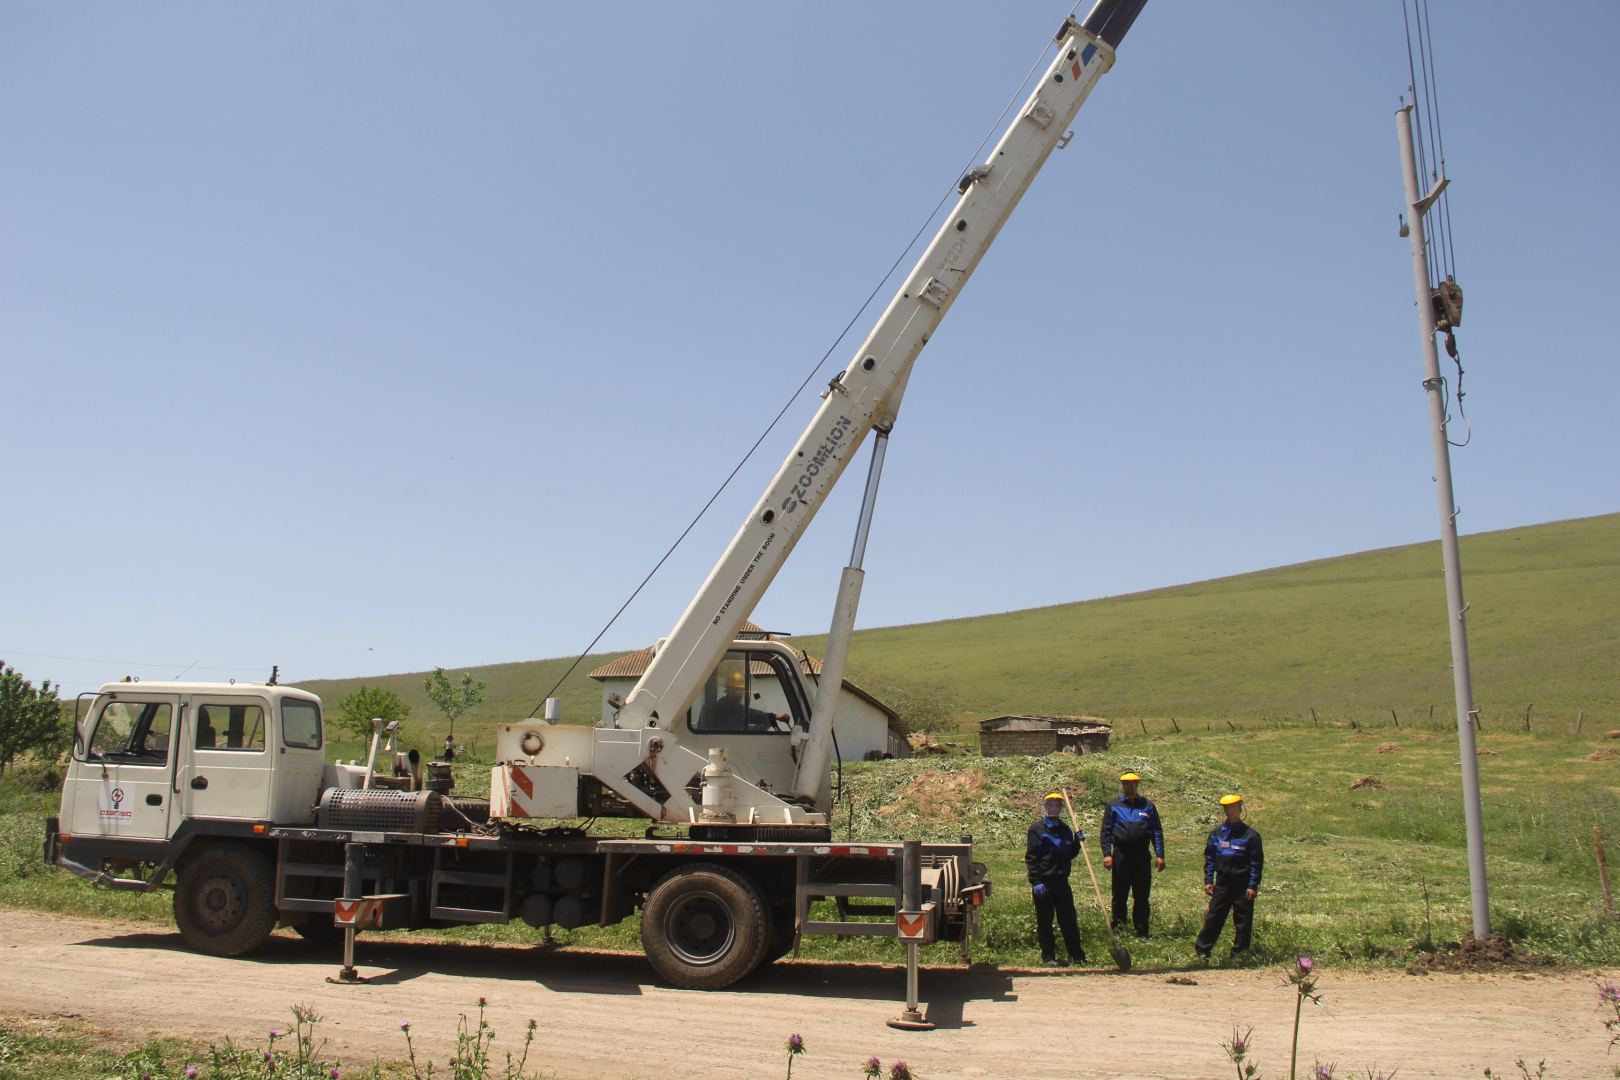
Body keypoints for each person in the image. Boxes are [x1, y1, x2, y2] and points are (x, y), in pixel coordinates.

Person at [1195, 793, 1264, 959]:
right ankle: (1202, 951)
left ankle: (1239, 953)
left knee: (1243, 921)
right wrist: (1208, 880)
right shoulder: (1217, 834)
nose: (1230, 811)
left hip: (1242, 884)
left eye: (1233, 808)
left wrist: (1252, 885)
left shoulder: (1251, 836)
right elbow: (1210, 858)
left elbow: (1256, 863)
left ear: (1240, 809)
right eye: (1227, 808)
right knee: (1214, 917)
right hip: (1223, 883)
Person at [1100, 771, 1165, 939]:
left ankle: (1142, 932)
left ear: (1137, 785)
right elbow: (1106, 831)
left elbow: (1156, 831)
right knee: (1119, 895)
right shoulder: (1113, 805)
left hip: (1141, 856)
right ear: (1122, 785)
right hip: (1121, 855)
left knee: (1141, 895)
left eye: (1132, 783)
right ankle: (1119, 930)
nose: (1128, 786)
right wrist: (1107, 854)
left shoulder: (1147, 806)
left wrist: (1160, 854)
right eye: (1125, 784)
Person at [1026, 791, 1086, 967]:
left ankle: (1077, 955)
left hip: (1061, 881)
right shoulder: (1037, 829)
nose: (1054, 807)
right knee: (1045, 921)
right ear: (1045, 807)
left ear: (1061, 808)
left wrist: (1077, 843)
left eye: (1058, 805)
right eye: (1051, 804)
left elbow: (1068, 853)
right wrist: (1035, 881)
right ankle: (1048, 956)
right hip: (1044, 883)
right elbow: (1031, 857)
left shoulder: (1065, 829)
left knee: (1069, 919)